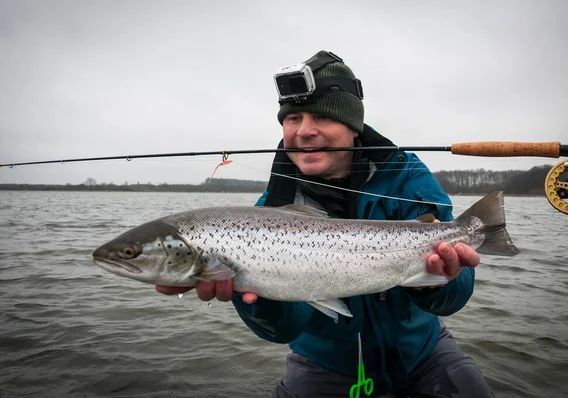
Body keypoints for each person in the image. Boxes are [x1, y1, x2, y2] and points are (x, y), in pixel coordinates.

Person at [157, 51, 493, 397]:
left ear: (352, 125)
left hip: (425, 353)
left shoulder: (406, 175)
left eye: (321, 116)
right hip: (324, 366)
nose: (304, 131)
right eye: (293, 119)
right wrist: (253, 294)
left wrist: (435, 282)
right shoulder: (264, 216)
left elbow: (456, 294)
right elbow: (282, 331)